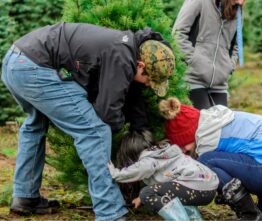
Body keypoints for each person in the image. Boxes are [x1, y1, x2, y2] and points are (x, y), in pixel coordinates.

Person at [1, 22, 175, 221]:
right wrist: (120, 135)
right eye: (150, 80)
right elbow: (107, 113)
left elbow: (125, 93)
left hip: (16, 61)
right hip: (35, 68)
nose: (149, 85)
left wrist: (139, 126)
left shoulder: (126, 47)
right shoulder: (122, 57)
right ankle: (111, 213)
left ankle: (25, 196)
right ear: (141, 65)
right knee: (94, 132)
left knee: (35, 125)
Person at [159, 97, 262, 221]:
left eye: (182, 145)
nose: (183, 151)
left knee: (206, 162)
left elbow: (201, 177)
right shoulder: (216, 120)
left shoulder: (208, 139)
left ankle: (251, 214)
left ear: (189, 135)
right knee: (249, 155)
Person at [107, 130, 219, 220]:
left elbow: (136, 171)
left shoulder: (148, 159)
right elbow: (167, 187)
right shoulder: (163, 152)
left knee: (146, 193)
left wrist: (115, 173)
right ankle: (193, 218)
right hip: (208, 187)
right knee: (168, 192)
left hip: (195, 187)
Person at [172, 0, 244, 110]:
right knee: (204, 123)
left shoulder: (237, 11)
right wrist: (194, 61)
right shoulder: (199, 2)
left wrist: (229, 66)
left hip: (220, 83)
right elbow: (178, 33)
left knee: (221, 124)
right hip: (193, 78)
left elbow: (236, 45)